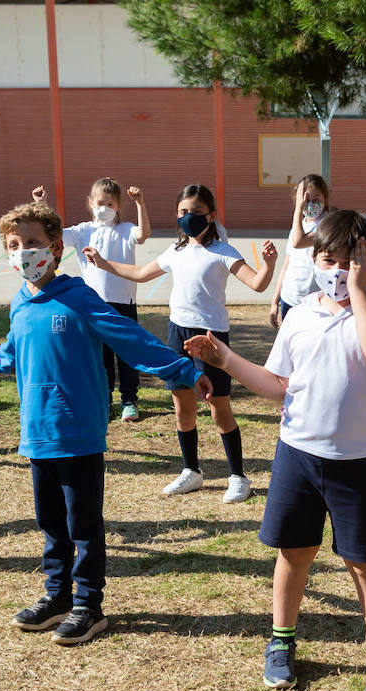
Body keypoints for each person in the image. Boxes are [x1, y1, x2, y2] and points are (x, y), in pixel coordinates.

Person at [182, 210, 366, 691]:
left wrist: (363, 289)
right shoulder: (300, 313)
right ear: (313, 258)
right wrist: (226, 361)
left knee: (365, 563)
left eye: (352, 261)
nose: (339, 269)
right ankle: (281, 641)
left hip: (361, 462)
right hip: (298, 456)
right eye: (329, 259)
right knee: (294, 554)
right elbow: (277, 384)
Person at [0, 202, 210, 645]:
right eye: (13, 245)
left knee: (83, 524)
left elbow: (130, 338)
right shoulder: (20, 302)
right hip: (37, 432)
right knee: (50, 523)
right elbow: (16, 344)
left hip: (78, 431)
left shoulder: (79, 297)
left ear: (56, 248)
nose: (22, 252)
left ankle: (88, 605)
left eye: (31, 243)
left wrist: (184, 370)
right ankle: (56, 596)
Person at [86, 183, 276, 503]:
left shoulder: (223, 251)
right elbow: (141, 272)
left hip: (211, 339)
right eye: (183, 212)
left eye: (197, 212)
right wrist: (104, 264)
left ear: (212, 215)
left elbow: (257, 284)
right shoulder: (175, 251)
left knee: (219, 410)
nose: (190, 218)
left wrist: (268, 265)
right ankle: (192, 471)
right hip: (178, 335)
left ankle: (237, 476)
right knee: (182, 408)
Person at [33, 178, 151, 422]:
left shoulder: (126, 229)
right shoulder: (82, 231)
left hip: (123, 302)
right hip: (93, 303)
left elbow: (143, 234)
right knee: (100, 356)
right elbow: (53, 234)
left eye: (110, 203)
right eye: (100, 203)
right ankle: (103, 399)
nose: (105, 207)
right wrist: (41, 205)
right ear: (90, 203)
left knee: (126, 353)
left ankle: (129, 400)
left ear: (118, 206)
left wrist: (140, 203)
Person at [269, 175, 328, 329]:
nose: (311, 203)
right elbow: (287, 265)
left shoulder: (327, 226)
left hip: (315, 300)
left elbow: (298, 242)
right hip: (290, 299)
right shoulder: (298, 226)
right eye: (305, 199)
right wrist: (275, 301)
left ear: (325, 199)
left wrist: (297, 210)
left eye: (316, 198)